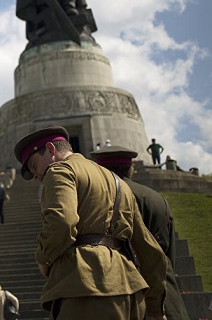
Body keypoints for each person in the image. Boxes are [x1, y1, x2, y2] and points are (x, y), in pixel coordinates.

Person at [13, 126, 168, 319]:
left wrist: (43, 257)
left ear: (51, 150)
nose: (36, 176)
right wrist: (154, 309)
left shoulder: (59, 171)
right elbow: (149, 249)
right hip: (129, 292)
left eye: (35, 165)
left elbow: (62, 222)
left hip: (85, 288)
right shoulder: (117, 182)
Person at [91, 145, 190, 319]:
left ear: (101, 171)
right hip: (164, 299)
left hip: (118, 297)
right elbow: (168, 253)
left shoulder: (95, 200)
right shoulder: (157, 198)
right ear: (131, 169)